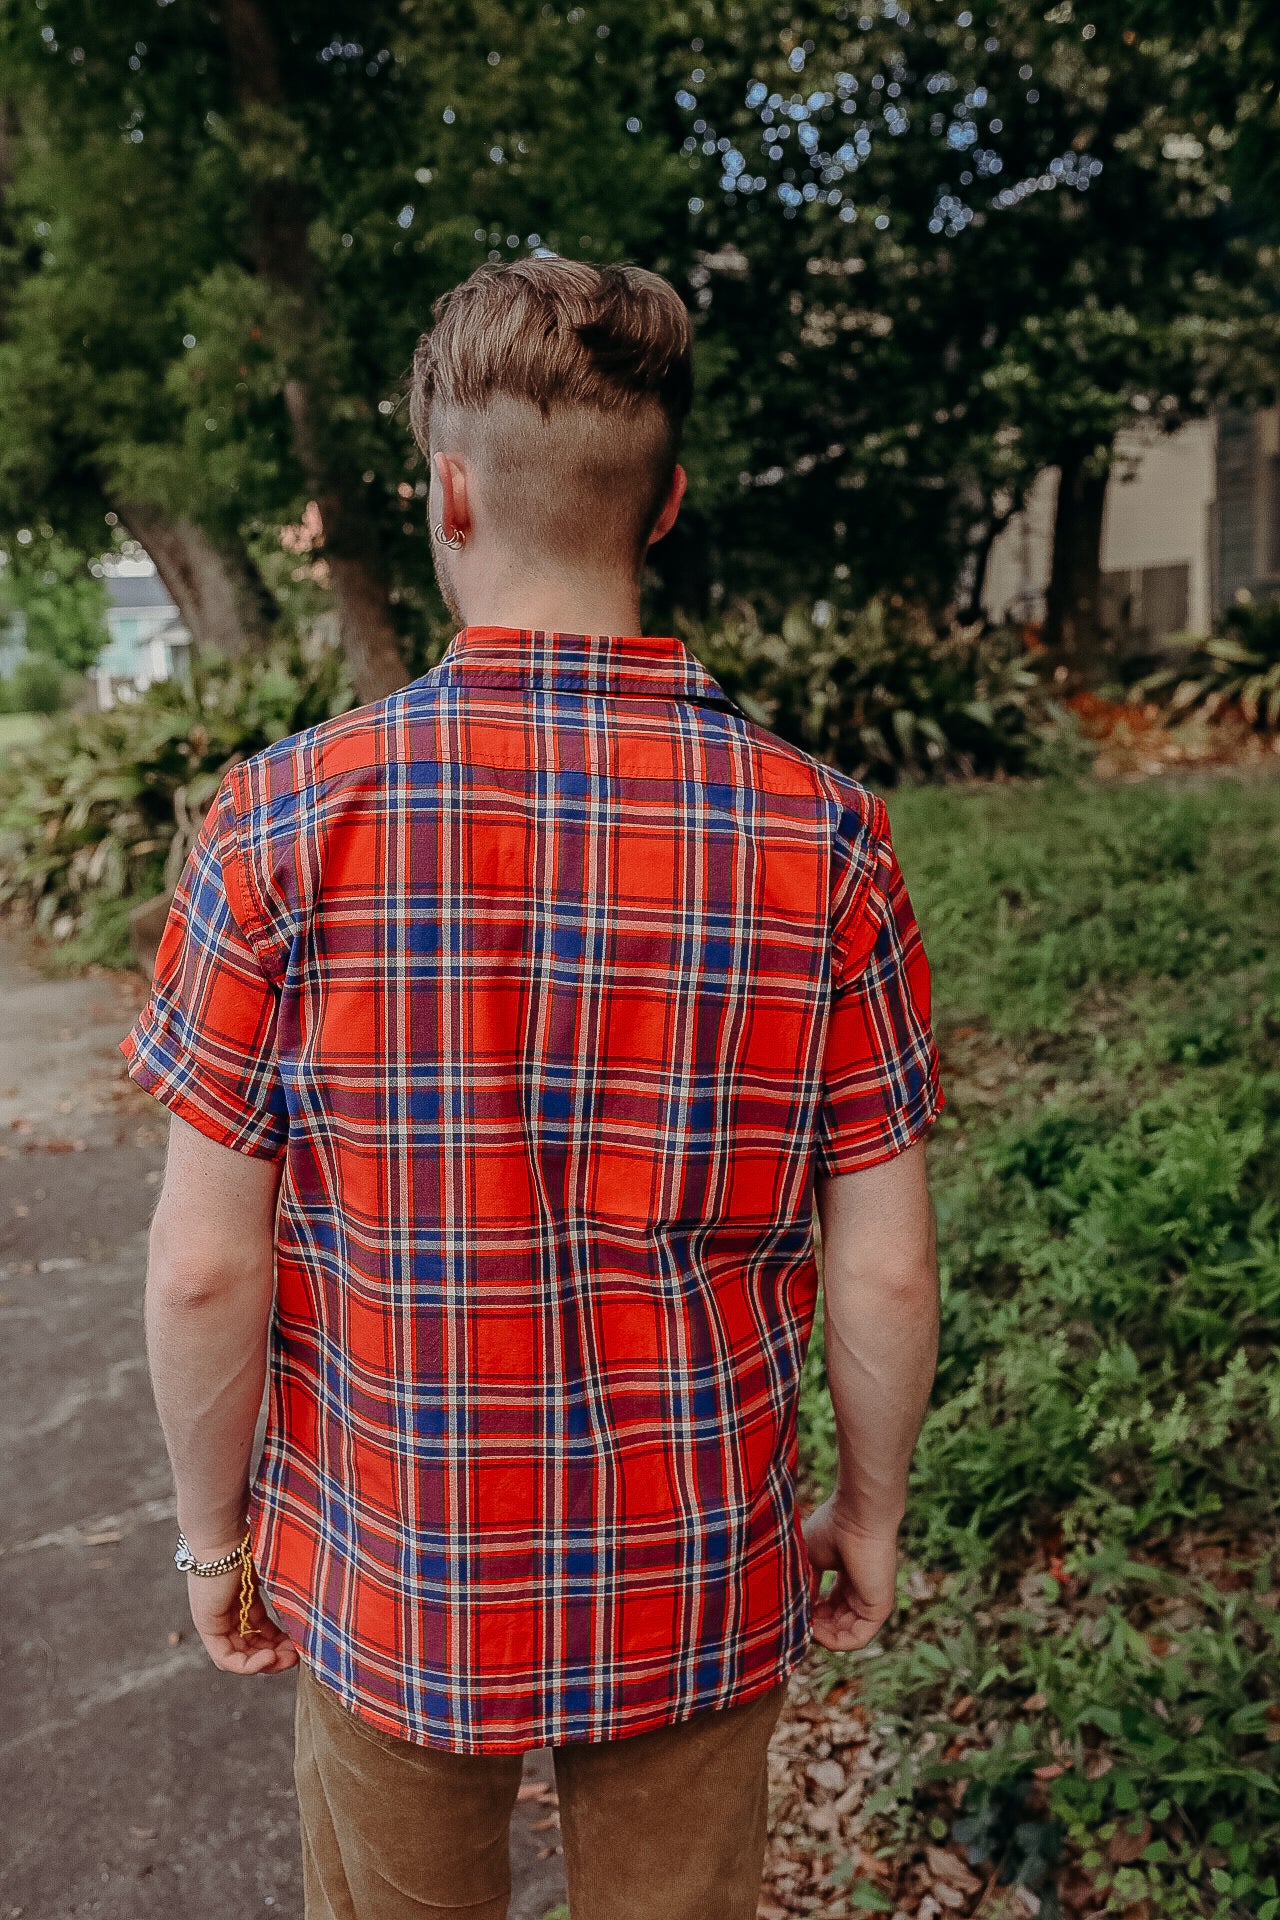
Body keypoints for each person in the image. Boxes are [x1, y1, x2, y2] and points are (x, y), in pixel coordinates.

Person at [122, 256, 943, 1920]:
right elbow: (888, 1259)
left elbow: (207, 1262)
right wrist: (868, 1508)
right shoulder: (825, 837)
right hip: (697, 1579)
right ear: (669, 503)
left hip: (388, 1571)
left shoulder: (276, 828)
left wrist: (217, 1542)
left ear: (446, 491)